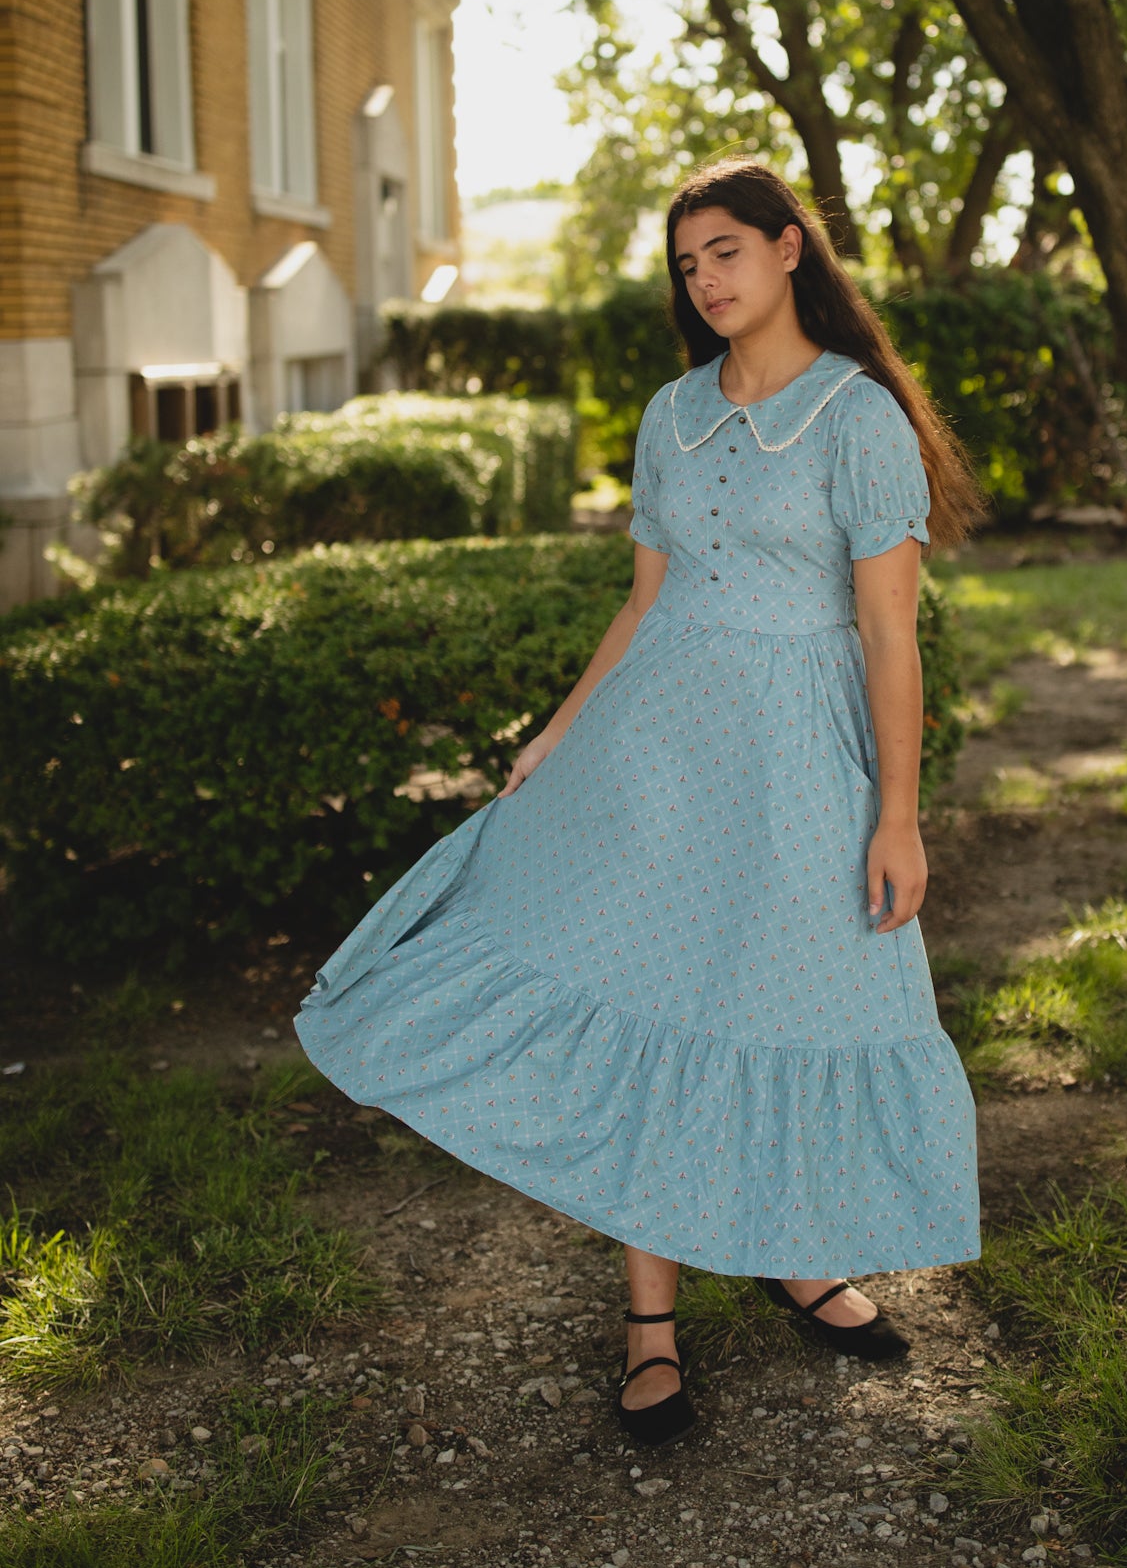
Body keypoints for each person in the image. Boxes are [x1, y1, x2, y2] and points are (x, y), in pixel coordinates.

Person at [294, 159, 983, 1450]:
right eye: (687, 265)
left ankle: (791, 1254)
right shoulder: (671, 416)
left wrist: (899, 815)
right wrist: (560, 731)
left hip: (796, 768)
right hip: (655, 758)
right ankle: (649, 1327)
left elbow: (892, 639)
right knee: (658, 1009)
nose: (706, 280)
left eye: (726, 252)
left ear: (790, 252)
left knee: (783, 996)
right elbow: (646, 600)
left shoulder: (858, 419)